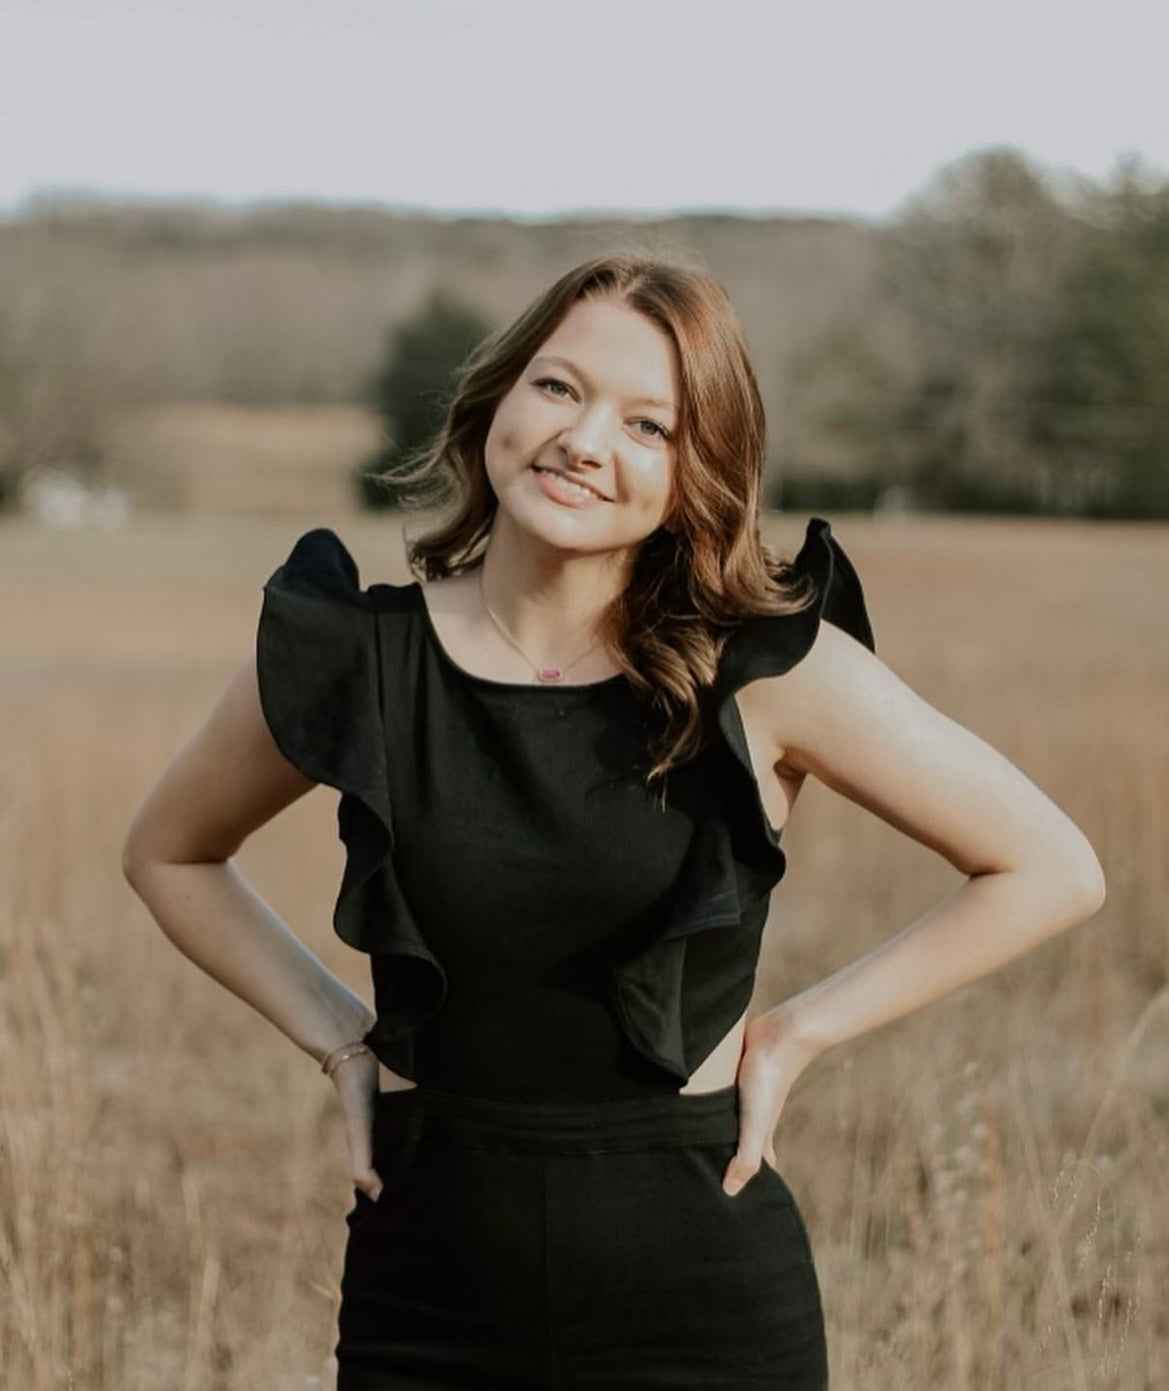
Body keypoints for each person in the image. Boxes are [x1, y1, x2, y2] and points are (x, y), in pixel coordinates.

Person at [122, 252, 1106, 1391]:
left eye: (649, 423)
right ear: (495, 395)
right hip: (427, 1292)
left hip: (701, 1297)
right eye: (557, 387)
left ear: (700, 471)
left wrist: (798, 1031)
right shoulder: (355, 653)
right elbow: (168, 850)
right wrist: (342, 1037)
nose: (583, 439)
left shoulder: (764, 672)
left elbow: (1048, 865)